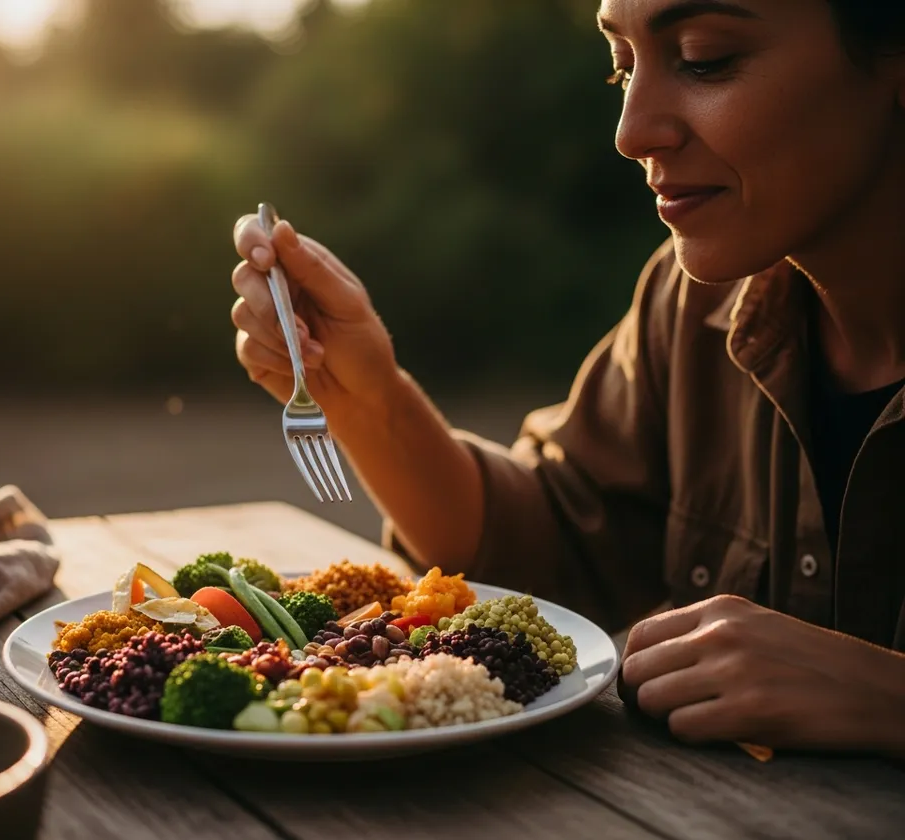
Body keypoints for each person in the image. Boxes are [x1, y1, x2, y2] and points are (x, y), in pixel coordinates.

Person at [228, 0, 905, 757]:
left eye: (705, 57)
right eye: (622, 67)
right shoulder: (693, 309)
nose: (631, 131)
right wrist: (361, 393)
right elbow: (548, 543)